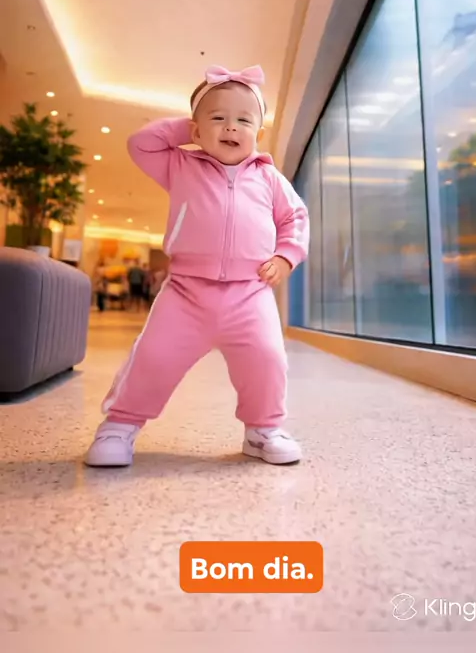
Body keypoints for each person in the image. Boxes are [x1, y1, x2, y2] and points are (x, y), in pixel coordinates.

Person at [85, 64, 309, 468]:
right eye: (218, 118)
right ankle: (120, 424)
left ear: (258, 134)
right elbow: (141, 144)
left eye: (244, 120)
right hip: (186, 292)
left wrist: (285, 256)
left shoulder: (269, 178)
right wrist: (193, 127)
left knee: (267, 358)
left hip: (250, 291)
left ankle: (263, 430)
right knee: (153, 356)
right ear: (195, 130)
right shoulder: (181, 165)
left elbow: (295, 217)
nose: (231, 127)